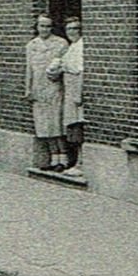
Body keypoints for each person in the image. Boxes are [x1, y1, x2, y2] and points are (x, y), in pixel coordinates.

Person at [24, 14, 70, 171]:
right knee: (44, 125)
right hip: (38, 89)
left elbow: (66, 65)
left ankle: (63, 159)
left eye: (48, 26)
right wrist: (28, 88)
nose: (44, 29)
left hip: (54, 87)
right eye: (41, 26)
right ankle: (52, 158)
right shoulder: (32, 45)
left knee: (56, 123)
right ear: (36, 27)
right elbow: (29, 69)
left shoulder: (61, 44)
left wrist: (58, 73)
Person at [55, 17, 86, 176]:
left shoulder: (81, 46)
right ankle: (75, 161)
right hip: (68, 87)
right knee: (71, 126)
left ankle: (80, 164)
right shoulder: (71, 46)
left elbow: (81, 72)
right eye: (69, 29)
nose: (73, 32)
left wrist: (78, 95)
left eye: (76, 28)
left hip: (75, 88)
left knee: (77, 125)